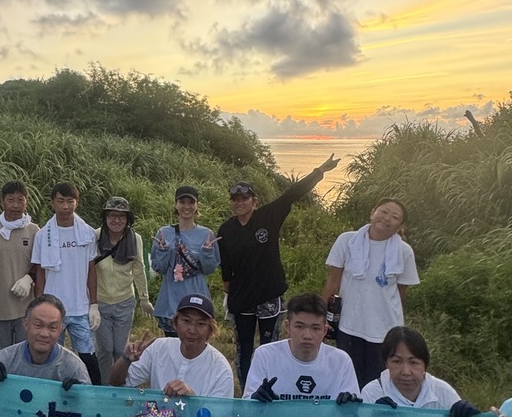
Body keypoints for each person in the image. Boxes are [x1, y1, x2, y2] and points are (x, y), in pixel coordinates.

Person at [218, 154, 339, 386]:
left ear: (254, 201)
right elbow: (226, 267)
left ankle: (269, 388)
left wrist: (320, 170)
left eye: (244, 198)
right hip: (241, 299)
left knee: (269, 346)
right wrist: (227, 296)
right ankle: (247, 390)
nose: (239, 203)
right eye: (235, 199)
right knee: (243, 347)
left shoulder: (269, 216)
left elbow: (293, 193)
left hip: (269, 295)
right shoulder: (226, 229)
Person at [320, 197, 419, 389]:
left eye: (395, 216)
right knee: (350, 380)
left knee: (379, 383)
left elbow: (400, 293)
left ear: (400, 225)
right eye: (384, 212)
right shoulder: (347, 240)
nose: (387, 218)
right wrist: (320, 314)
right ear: (372, 212)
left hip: (385, 330)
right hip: (350, 324)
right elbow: (333, 280)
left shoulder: (404, 251)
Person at [31, 181, 102, 384]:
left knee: (88, 355)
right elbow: (40, 271)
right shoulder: (43, 235)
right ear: (52, 203)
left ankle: (94, 393)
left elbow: (91, 270)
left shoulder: (87, 233)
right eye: (60, 201)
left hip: (80, 307)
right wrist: (39, 304)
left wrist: (94, 304)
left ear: (76, 203)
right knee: (50, 353)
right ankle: (49, 391)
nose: (65, 206)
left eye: (69, 201)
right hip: (53, 308)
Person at [242, 293, 359, 402]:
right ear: (287, 327)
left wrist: (350, 406)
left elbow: (353, 415)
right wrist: (255, 400)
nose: (307, 336)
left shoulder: (341, 361)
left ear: (325, 330)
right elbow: (246, 410)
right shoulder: (265, 356)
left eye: (315, 328)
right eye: (299, 327)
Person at [0, 180, 40, 357]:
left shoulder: (34, 231)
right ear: (2, 202)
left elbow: (39, 265)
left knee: (25, 355)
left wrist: (29, 278)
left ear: (27, 201)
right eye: (11, 200)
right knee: (0, 356)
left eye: (20, 200)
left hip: (25, 308)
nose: (16, 205)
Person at [94, 196, 154, 381]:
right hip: (100, 302)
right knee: (104, 349)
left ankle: (120, 383)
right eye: (112, 215)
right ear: (105, 217)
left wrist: (144, 299)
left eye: (122, 216)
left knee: (120, 349)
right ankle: (103, 385)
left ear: (128, 220)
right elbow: (86, 269)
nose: (117, 220)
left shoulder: (134, 239)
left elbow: (139, 269)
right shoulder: (95, 236)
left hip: (124, 301)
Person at [151, 186, 220, 337]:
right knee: (172, 346)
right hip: (171, 298)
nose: (186, 206)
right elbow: (159, 268)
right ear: (176, 204)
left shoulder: (206, 234)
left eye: (191, 202)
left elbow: (209, 269)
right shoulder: (164, 233)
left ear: (197, 206)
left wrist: (207, 253)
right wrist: (163, 251)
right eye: (182, 202)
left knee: (196, 345)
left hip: (197, 294)